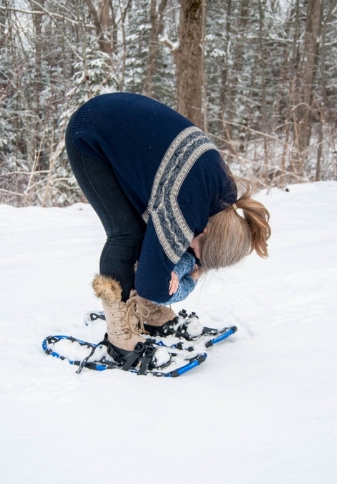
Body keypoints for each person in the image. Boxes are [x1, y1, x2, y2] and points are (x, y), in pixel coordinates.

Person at [65, 92, 271, 371]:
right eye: (199, 255)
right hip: (89, 134)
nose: (195, 260)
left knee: (153, 237)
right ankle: (118, 339)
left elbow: (171, 246)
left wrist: (174, 266)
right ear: (207, 231)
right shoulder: (183, 212)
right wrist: (190, 279)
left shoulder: (227, 202)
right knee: (126, 234)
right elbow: (155, 286)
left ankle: (147, 314)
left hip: (117, 120)